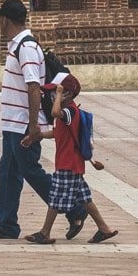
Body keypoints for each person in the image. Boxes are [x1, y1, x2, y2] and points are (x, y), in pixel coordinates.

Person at [0, 0, 52, 239]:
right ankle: (7, 224)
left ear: (5, 20)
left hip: (23, 123)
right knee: (8, 172)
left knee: (30, 170)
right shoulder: (17, 46)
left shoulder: (26, 47)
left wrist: (33, 126)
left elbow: (34, 87)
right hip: (13, 123)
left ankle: (74, 208)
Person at [26, 73, 118, 245]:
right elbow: (57, 132)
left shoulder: (70, 111)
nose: (53, 96)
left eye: (56, 92)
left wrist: (59, 94)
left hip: (68, 163)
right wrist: (36, 137)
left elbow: (55, 112)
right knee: (84, 198)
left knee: (54, 198)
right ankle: (104, 229)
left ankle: (44, 233)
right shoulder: (67, 113)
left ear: (68, 93)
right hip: (70, 162)